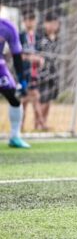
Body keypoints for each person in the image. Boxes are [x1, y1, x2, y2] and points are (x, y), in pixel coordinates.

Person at [0, 13, 31, 148]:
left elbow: (17, 54)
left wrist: (22, 80)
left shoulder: (8, 27)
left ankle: (15, 136)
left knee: (15, 99)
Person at [19, 9, 43, 131]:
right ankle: (22, 125)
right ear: (23, 21)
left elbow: (40, 54)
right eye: (27, 20)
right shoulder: (20, 36)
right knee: (25, 100)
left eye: (32, 19)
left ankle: (38, 124)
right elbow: (18, 56)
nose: (30, 22)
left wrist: (40, 60)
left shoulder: (38, 37)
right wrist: (29, 58)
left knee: (34, 98)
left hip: (34, 73)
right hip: (23, 73)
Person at [36, 11, 60, 131]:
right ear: (45, 23)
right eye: (51, 23)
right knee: (40, 99)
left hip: (53, 72)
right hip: (42, 72)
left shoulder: (57, 38)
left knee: (49, 99)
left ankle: (43, 122)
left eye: (56, 23)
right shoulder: (40, 37)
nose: (54, 26)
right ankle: (38, 123)